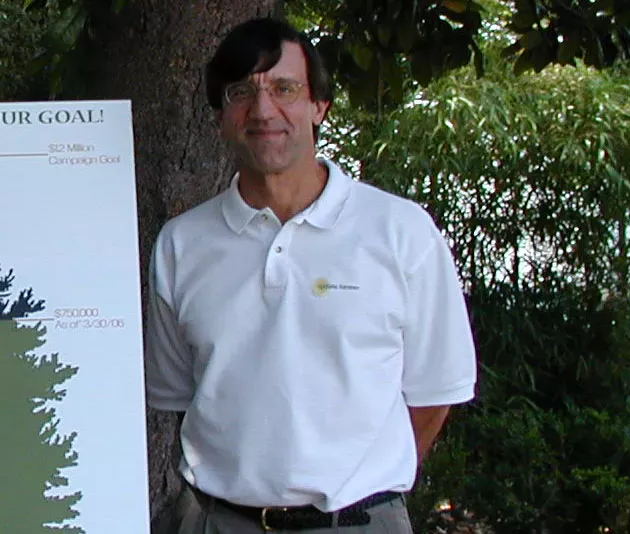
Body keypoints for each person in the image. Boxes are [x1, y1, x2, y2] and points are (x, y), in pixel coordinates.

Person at [145, 17, 478, 533]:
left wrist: (357, 486)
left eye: (284, 89)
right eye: (241, 92)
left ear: (319, 105)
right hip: (217, 522)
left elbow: (435, 391)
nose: (263, 110)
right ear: (220, 115)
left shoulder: (400, 231)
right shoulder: (181, 245)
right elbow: (176, 394)